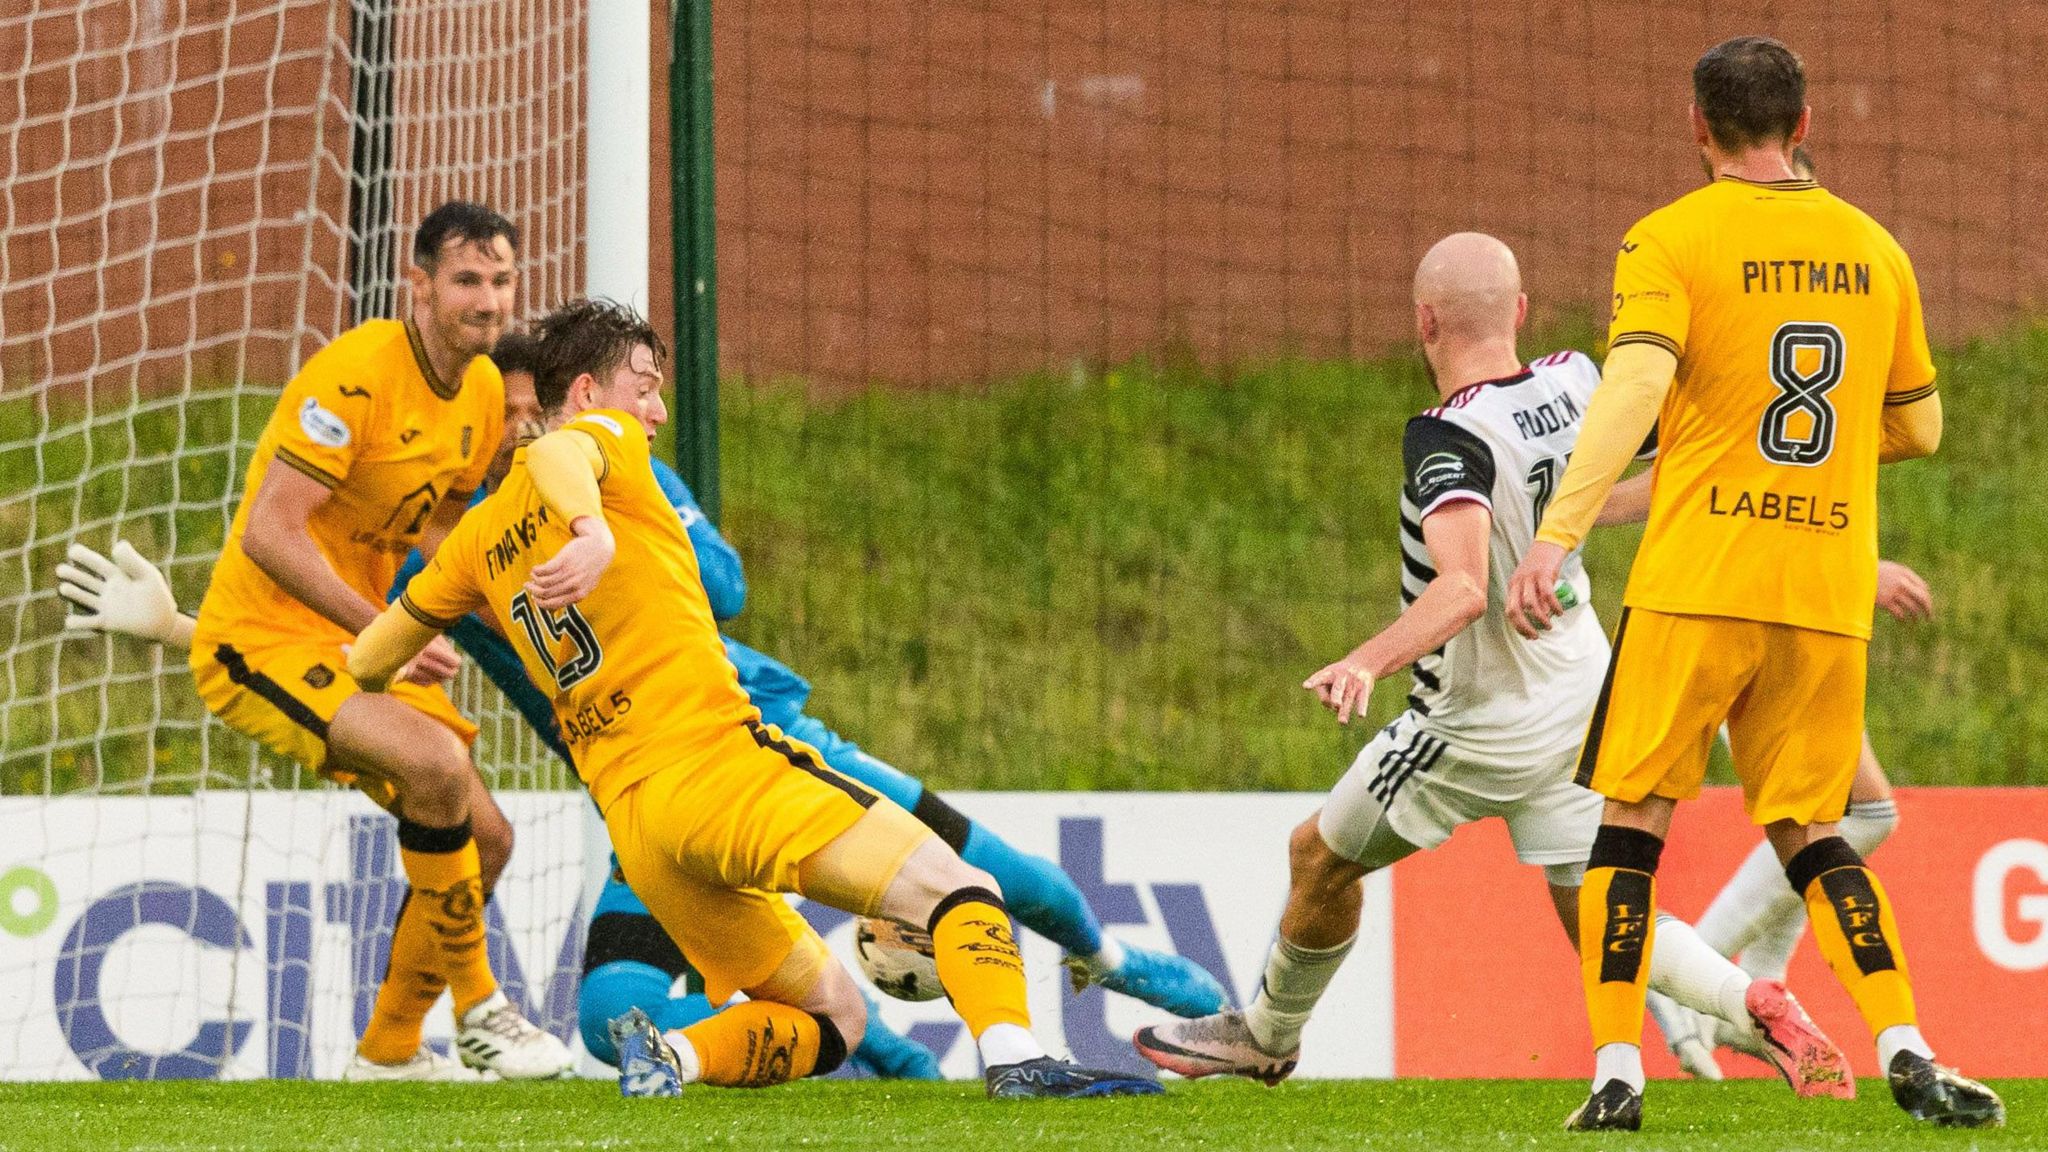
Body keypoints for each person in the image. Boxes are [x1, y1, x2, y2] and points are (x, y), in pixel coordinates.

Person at [349, 297, 1162, 1099]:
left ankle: (674, 1057)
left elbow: (372, 655)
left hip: (641, 830)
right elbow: (563, 458)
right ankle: (1017, 1060)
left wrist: (375, 672)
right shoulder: (600, 445)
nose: (657, 408)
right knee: (962, 890)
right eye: (644, 387)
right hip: (720, 770)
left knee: (832, 1019)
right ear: (591, 394)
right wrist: (591, 530)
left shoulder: (473, 540)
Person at [1130, 233, 1845, 1099]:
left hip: (1472, 723)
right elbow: (1673, 479)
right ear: (1520, 311)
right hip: (1582, 692)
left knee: (1318, 855)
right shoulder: (1576, 378)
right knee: (1600, 916)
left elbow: (1464, 588)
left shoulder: (1446, 436)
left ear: (1424, 323)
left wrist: (1364, 660)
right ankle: (1755, 1004)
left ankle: (1267, 1038)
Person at [1505, 36, 2001, 1130]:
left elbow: (1635, 385)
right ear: (1804, 125)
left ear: (1696, 126)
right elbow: (1918, 425)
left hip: (1694, 582)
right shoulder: (1874, 250)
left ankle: (1615, 1073)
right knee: (1816, 834)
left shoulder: (1668, 240)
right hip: (1820, 588)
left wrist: (1559, 532)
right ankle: (1906, 1046)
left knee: (1627, 827)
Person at [174, 201, 569, 1080]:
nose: (489, 300)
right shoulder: (353, 376)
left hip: (357, 649)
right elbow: (270, 535)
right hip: (261, 642)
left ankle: (388, 1054)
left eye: (501, 281)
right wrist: (384, 625)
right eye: (467, 280)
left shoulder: (477, 394)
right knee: (433, 764)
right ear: (419, 285)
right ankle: (481, 1010)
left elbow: (445, 539)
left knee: (488, 836)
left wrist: (536, 615)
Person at [1649, 560, 1924, 1078]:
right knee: (1857, 814)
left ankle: (1754, 978)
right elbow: (1755, 512)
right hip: (1745, 621)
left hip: (1798, 623)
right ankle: (1693, 974)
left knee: (1845, 815)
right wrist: (1858, 573)